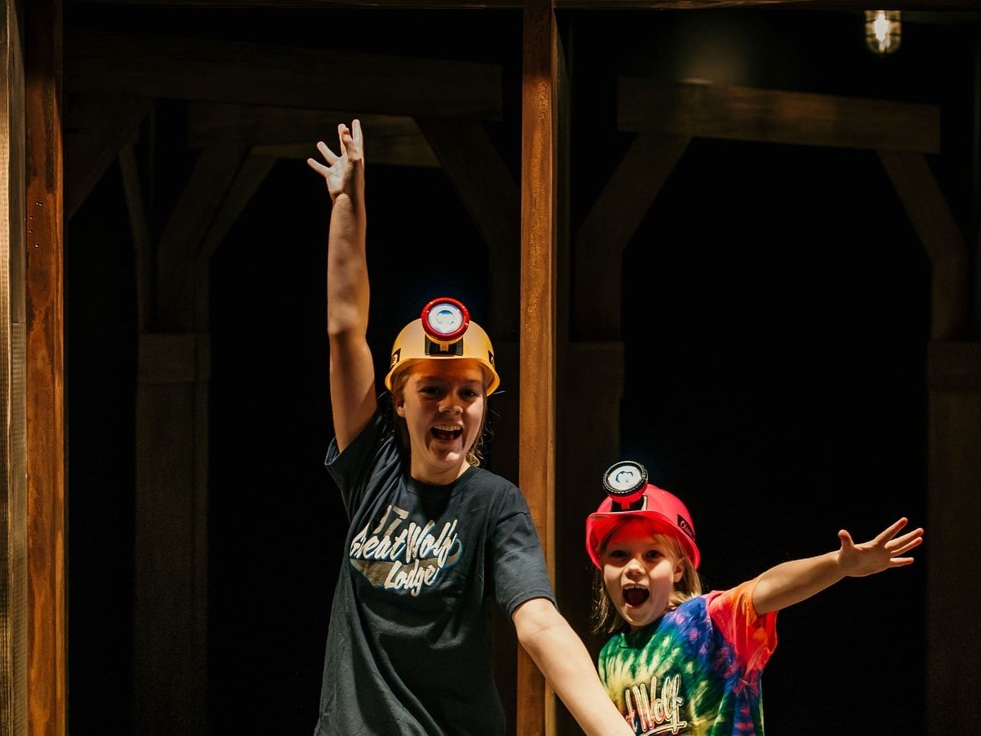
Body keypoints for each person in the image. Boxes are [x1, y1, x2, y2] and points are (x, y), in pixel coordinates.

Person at [308, 118, 634, 736]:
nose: (452, 406)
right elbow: (344, 329)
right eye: (431, 391)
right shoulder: (371, 467)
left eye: (468, 391)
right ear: (398, 402)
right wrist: (348, 205)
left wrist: (613, 732)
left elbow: (537, 620)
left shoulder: (494, 504)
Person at [584, 460, 923, 735]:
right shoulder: (609, 657)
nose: (633, 567)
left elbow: (767, 587)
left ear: (678, 569)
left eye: (652, 555)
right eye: (618, 554)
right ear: (603, 569)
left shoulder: (707, 621)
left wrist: (838, 564)